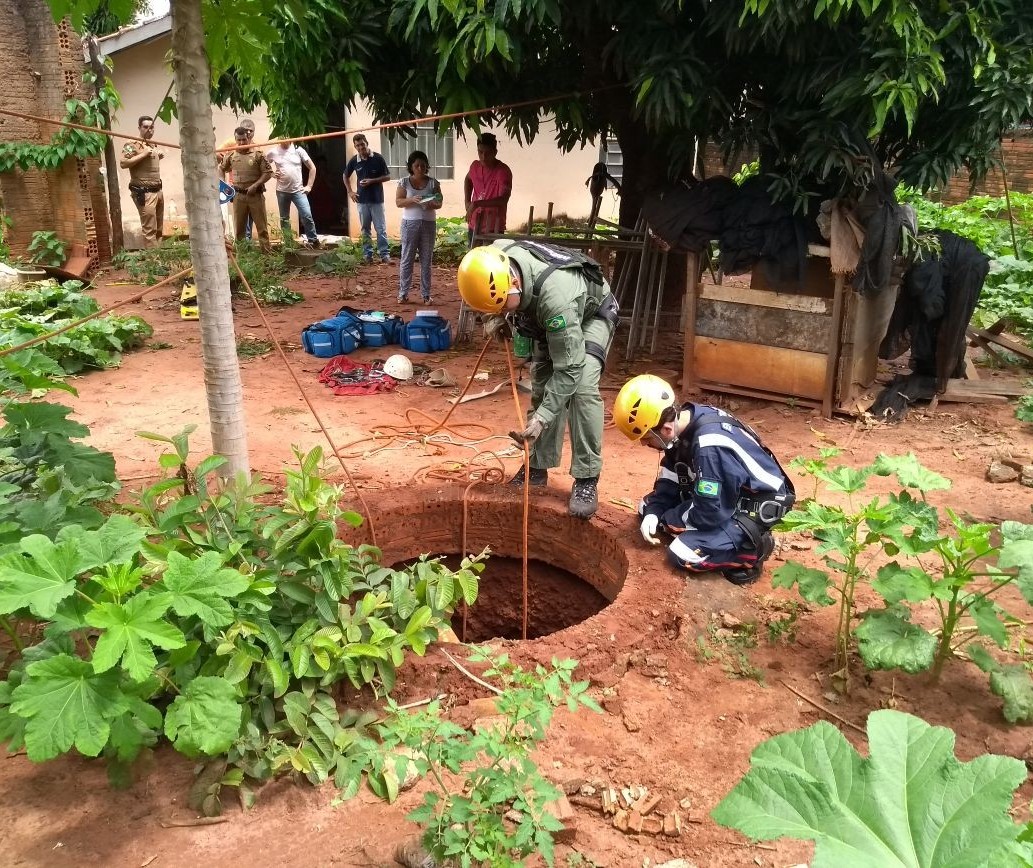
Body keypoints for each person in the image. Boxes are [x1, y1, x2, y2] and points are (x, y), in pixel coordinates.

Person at [458, 241, 619, 519]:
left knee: (580, 389)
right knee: (542, 383)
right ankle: (537, 466)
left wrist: (542, 417)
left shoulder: (556, 300)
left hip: (592, 314)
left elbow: (569, 368)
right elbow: (488, 292)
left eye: (502, 306)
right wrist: (494, 317)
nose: (502, 311)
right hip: (547, 313)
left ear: (513, 282)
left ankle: (587, 477)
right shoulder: (492, 260)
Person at [612, 374, 795, 585]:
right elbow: (673, 475)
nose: (645, 445)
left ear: (666, 429)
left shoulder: (709, 449)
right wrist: (655, 512)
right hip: (726, 490)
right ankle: (710, 533)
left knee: (682, 552)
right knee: (647, 508)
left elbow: (709, 512)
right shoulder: (684, 422)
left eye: (646, 439)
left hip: (753, 505)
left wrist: (669, 519)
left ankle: (751, 550)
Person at [395, 150, 442, 304]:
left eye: (423, 165)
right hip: (409, 223)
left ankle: (426, 294)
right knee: (407, 258)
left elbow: (439, 202)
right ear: (411, 167)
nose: (420, 169)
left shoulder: (433, 183)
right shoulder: (404, 182)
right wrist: (412, 200)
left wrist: (431, 203)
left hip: (428, 223)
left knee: (426, 260)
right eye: (417, 166)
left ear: (426, 166)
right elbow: (398, 202)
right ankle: (403, 293)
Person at [219, 126, 272, 252]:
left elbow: (268, 172)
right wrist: (223, 184)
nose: (242, 143)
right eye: (239, 140)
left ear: (248, 138)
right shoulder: (231, 155)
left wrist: (256, 185)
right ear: (236, 139)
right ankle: (242, 258)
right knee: (239, 230)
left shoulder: (258, 154)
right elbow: (221, 168)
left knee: (262, 229)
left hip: (255, 196)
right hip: (238, 196)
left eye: (244, 140)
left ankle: (267, 257)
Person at [344, 134, 391, 264]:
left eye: (362, 144)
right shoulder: (355, 160)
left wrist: (372, 181)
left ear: (367, 143)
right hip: (362, 200)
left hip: (377, 200)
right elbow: (345, 175)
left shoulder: (378, 158)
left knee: (380, 228)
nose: (360, 147)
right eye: (357, 145)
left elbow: (387, 177)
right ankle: (367, 255)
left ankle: (384, 255)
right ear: (355, 146)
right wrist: (350, 192)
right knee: (365, 229)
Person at [119, 115, 164, 248]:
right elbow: (123, 163)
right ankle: (153, 263)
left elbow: (146, 165)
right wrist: (143, 154)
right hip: (144, 193)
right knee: (149, 230)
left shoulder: (152, 144)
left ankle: (158, 259)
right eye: (146, 127)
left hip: (158, 191)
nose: (149, 130)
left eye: (152, 127)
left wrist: (158, 156)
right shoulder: (132, 144)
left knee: (159, 229)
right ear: (139, 128)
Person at [266, 140, 320, 247]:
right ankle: (288, 243)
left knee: (306, 215)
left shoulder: (298, 149)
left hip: (298, 191)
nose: (284, 138)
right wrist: (271, 173)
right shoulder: (273, 152)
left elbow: (312, 167)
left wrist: (309, 186)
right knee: (284, 218)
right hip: (282, 191)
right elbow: (263, 164)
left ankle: (313, 240)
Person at [464, 133, 512, 244]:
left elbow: (503, 200)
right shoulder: (475, 166)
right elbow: (468, 179)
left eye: (488, 153)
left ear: (495, 152)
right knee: (474, 258)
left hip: (493, 226)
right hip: (474, 223)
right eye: (480, 152)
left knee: (491, 260)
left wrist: (476, 204)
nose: (483, 157)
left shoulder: (503, 171)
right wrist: (467, 201)